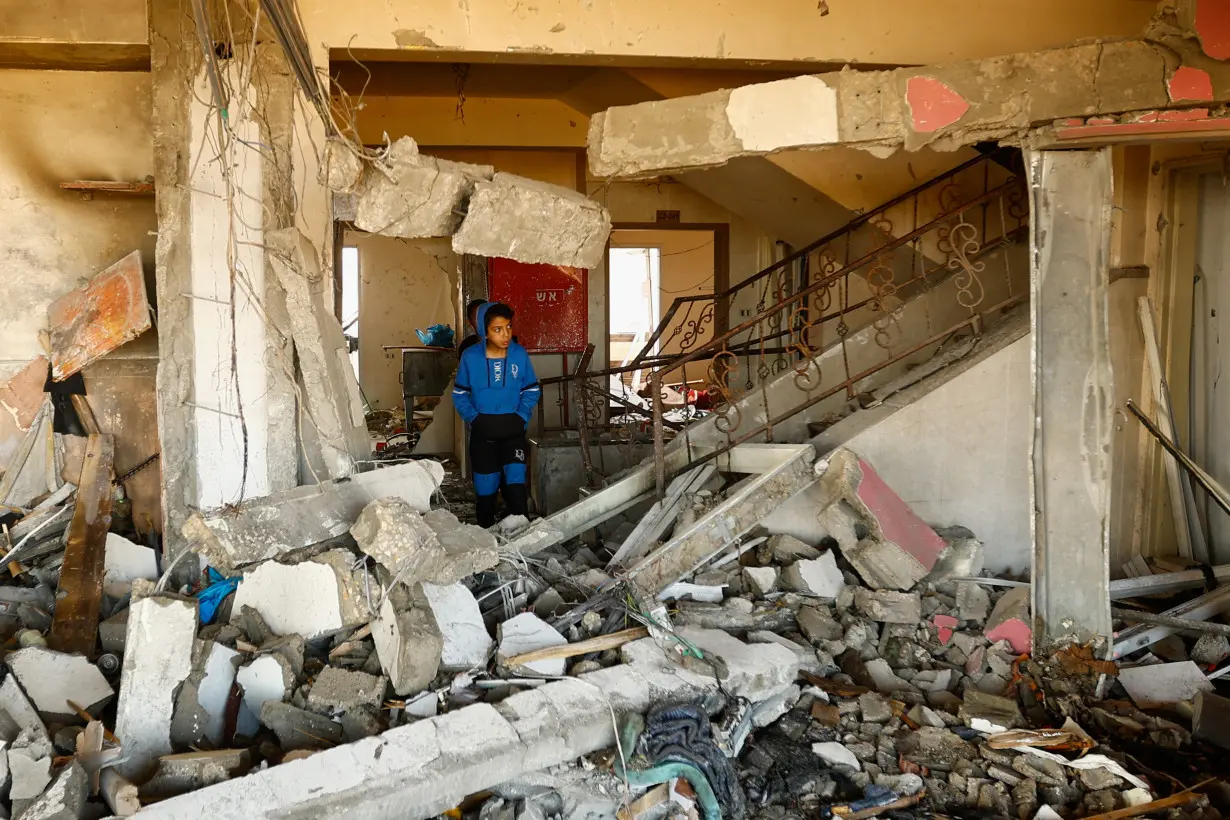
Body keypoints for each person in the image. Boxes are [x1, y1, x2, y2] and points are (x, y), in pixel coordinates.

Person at [452, 302, 541, 527]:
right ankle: (487, 544)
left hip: (513, 432)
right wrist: (474, 418)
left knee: (516, 486)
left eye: (508, 327)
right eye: (497, 329)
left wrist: (521, 416)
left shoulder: (519, 354)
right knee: (486, 491)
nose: (505, 334)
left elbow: (531, 389)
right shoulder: (470, 357)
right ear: (484, 330)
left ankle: (522, 544)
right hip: (484, 434)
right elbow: (460, 394)